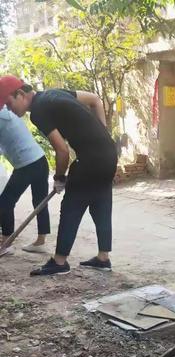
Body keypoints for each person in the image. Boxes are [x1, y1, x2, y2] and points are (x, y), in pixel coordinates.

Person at [0, 75, 118, 276]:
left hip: (90, 159)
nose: (9, 109)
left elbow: (61, 150)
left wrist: (59, 178)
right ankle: (103, 257)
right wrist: (102, 134)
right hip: (109, 153)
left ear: (20, 94)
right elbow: (95, 100)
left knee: (71, 206)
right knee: (101, 203)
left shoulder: (38, 111)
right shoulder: (54, 93)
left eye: (9, 104)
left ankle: (59, 262)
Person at [0, 104, 51, 254]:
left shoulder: (2, 116)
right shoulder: (7, 112)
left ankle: (6, 244)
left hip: (27, 165)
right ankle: (41, 241)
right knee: (40, 202)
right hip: (40, 160)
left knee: (5, 202)